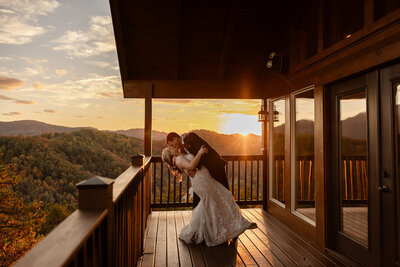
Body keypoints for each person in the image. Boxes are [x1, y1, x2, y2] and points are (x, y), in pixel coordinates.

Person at [161, 145, 257, 247]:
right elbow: (191, 166)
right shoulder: (178, 159)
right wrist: (200, 152)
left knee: (212, 203)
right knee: (219, 200)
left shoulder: (179, 158)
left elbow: (190, 167)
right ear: (169, 154)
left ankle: (234, 225)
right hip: (202, 182)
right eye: (170, 148)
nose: (172, 147)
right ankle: (221, 231)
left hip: (204, 180)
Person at [166, 132, 229, 208]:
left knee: (224, 190)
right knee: (200, 196)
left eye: (172, 144)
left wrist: (194, 168)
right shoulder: (181, 150)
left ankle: (231, 211)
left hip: (215, 166)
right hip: (201, 174)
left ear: (175, 139)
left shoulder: (191, 137)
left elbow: (204, 151)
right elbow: (187, 162)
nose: (173, 147)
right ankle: (200, 215)